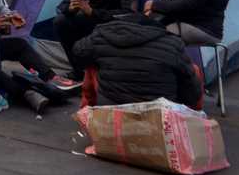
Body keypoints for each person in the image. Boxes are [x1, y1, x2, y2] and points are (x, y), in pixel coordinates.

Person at [72, 14, 202, 108]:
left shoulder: (101, 36)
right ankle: (193, 122)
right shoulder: (173, 43)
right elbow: (191, 92)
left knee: (92, 65)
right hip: (160, 119)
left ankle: (88, 113)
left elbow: (78, 53)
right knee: (192, 70)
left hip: (111, 116)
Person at [53, 0, 139, 80]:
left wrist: (93, 12)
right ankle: (79, 70)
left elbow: (129, 13)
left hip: (114, 22)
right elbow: (63, 5)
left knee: (91, 22)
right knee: (61, 21)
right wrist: (70, 9)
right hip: (91, 19)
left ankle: (104, 73)